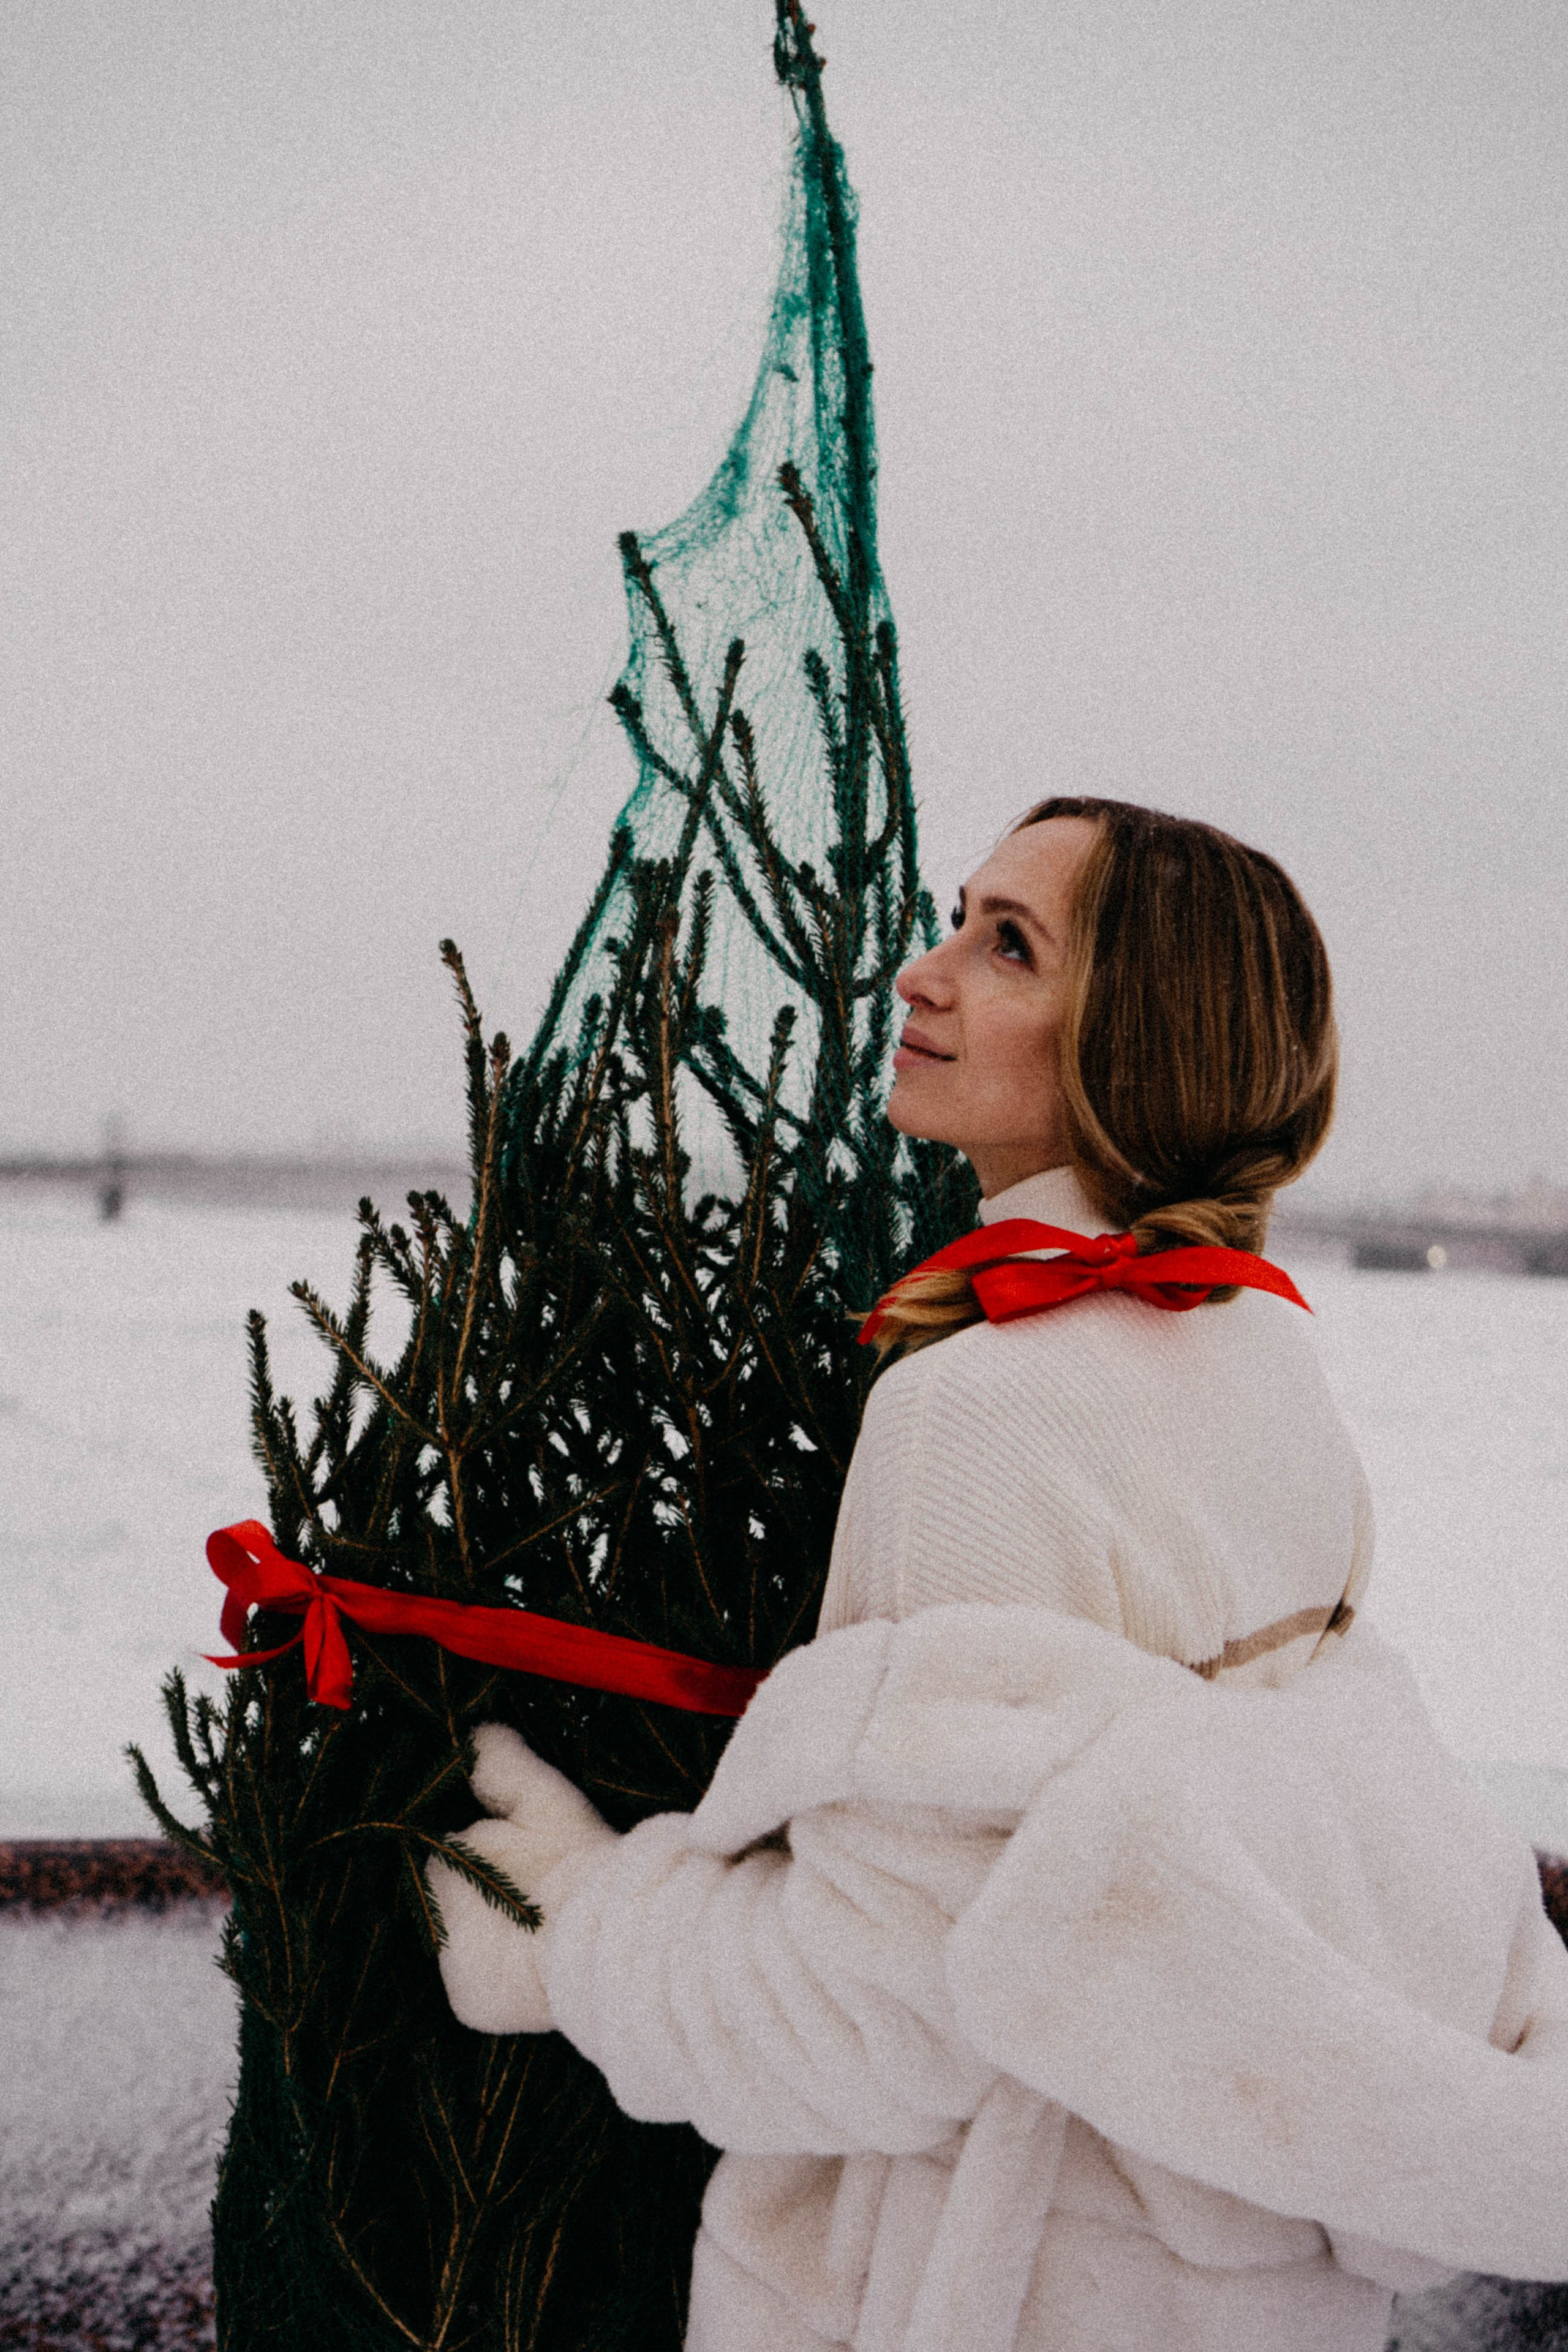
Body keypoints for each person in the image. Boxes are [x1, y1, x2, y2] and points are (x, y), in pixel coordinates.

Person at [429, 798, 1568, 2351]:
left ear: (1139, 1037)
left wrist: (576, 1928)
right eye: (959, 916)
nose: (921, 970)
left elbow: (885, 2015)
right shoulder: (1263, 1354)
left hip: (995, 2284)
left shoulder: (977, 1407)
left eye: (1007, 945)